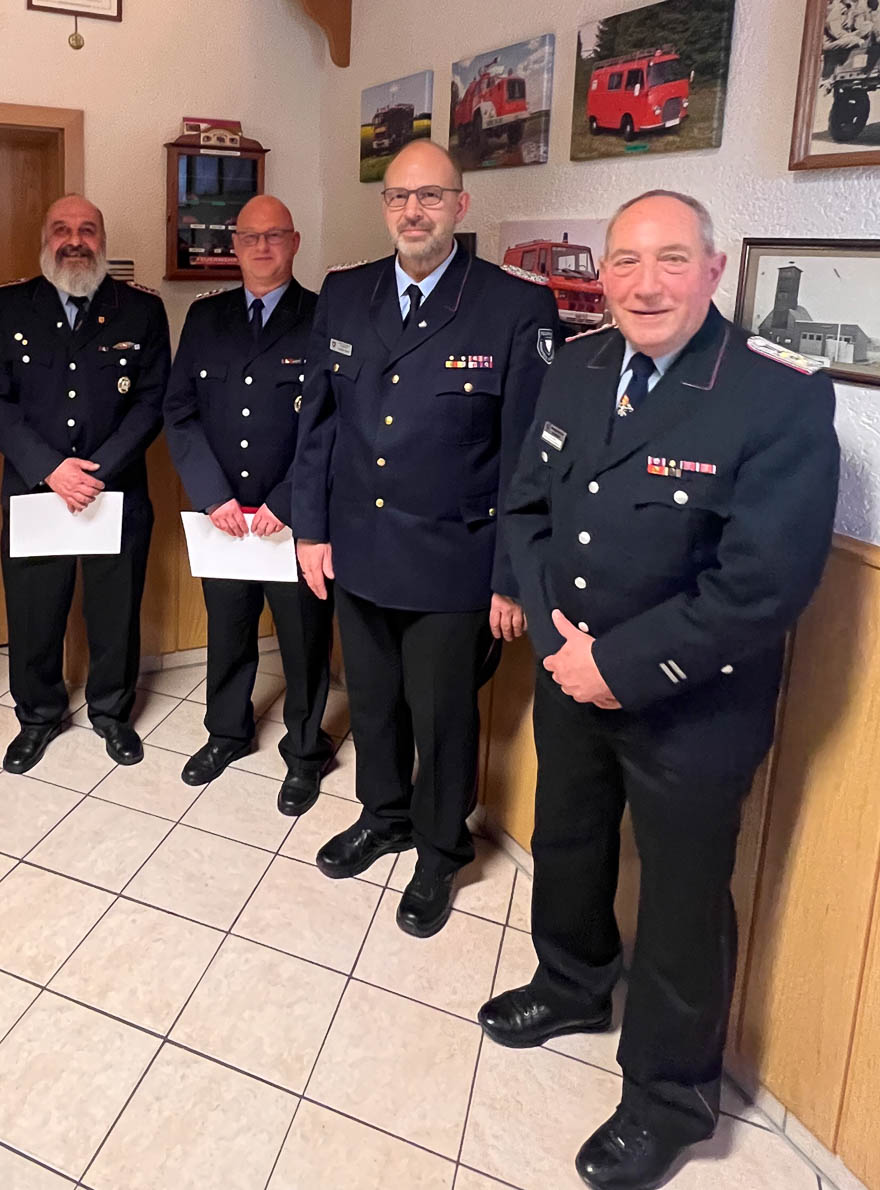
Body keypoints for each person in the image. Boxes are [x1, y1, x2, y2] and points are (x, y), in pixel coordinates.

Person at [479, 190, 839, 1190]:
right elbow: (528, 508)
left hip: (693, 702)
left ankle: (670, 1098)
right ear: (603, 275)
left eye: (671, 259)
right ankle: (571, 982)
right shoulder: (579, 365)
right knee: (568, 838)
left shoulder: (776, 395)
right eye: (626, 262)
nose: (645, 284)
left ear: (714, 271)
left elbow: (763, 585)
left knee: (682, 901)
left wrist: (621, 665)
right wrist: (559, 639)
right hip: (569, 672)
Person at [292, 140, 561, 937]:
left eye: (431, 196)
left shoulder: (513, 307)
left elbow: (527, 458)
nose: (413, 211)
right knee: (373, 701)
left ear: (459, 206)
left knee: (442, 716)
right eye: (399, 197)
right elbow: (318, 426)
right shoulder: (346, 293)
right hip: (358, 546)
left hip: (455, 559)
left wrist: (512, 576)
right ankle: (384, 816)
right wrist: (310, 531)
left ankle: (441, 851)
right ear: (385, 207)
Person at [0, 194, 170, 775]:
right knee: (34, 610)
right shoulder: (9, 306)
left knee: (116, 609)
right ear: (45, 239)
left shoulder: (141, 309)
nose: (75, 240)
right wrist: (51, 469)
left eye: (87, 229)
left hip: (115, 488)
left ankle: (112, 713)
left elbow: (152, 402)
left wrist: (97, 471)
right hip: (37, 489)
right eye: (62, 229)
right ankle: (37, 717)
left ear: (102, 240)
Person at [164, 195, 334, 813]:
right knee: (228, 630)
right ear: (233, 246)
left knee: (304, 642)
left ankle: (306, 751)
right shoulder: (206, 318)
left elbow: (332, 422)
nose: (263, 247)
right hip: (227, 520)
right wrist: (213, 496)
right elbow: (180, 412)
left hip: (294, 518)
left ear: (295, 243)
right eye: (250, 237)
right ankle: (227, 733)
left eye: (275, 236)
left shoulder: (323, 318)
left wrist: (286, 500)